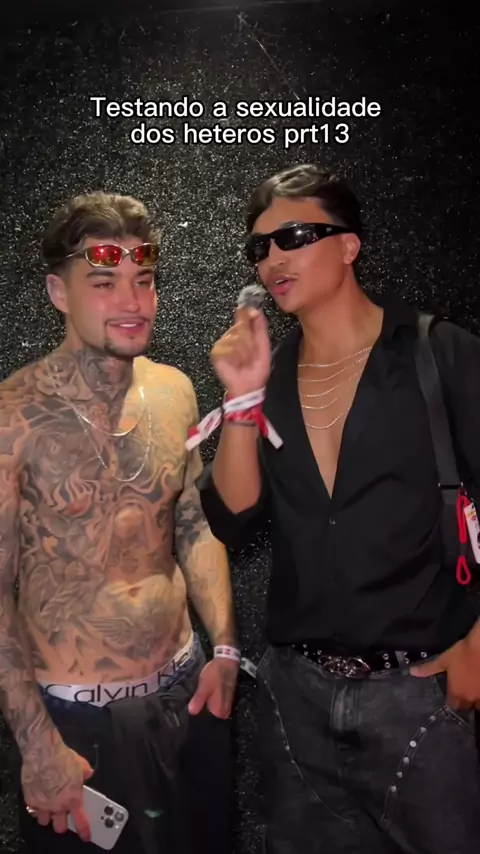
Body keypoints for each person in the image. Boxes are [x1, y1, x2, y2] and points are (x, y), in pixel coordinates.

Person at [197, 163, 480, 854]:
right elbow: (232, 518)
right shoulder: (270, 378)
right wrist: (240, 399)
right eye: (259, 247)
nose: (273, 259)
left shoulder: (438, 351)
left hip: (422, 693)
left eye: (293, 236)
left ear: (349, 245)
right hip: (296, 700)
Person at [0, 191, 239, 854]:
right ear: (59, 292)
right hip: (77, 726)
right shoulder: (12, 419)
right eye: (104, 283)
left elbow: (192, 527)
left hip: (188, 696)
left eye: (144, 279)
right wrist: (37, 744)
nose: (132, 301)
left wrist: (225, 648)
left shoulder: (174, 390)